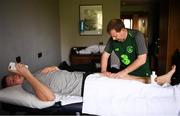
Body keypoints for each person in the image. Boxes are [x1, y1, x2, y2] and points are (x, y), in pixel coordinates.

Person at [1, 63, 176, 101]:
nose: (15, 77)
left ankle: (159, 80)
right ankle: (162, 87)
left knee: (121, 76)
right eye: (11, 80)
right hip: (87, 87)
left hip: (86, 77)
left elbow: (53, 74)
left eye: (13, 75)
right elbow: (48, 97)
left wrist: (52, 67)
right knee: (126, 84)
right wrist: (28, 76)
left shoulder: (32, 73)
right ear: (13, 86)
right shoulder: (26, 84)